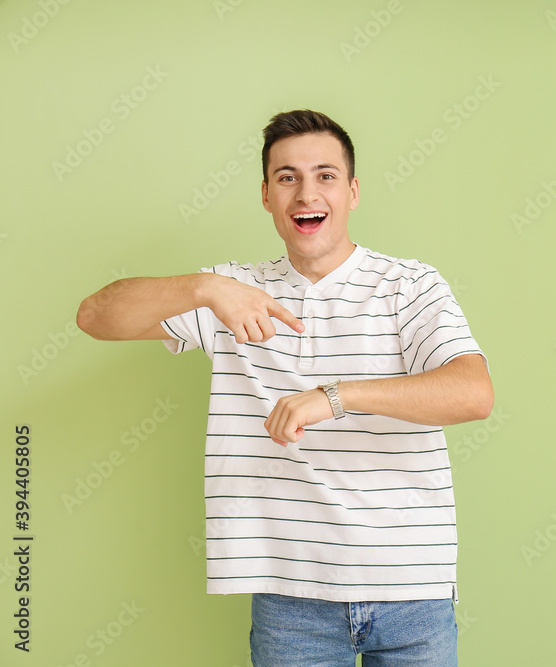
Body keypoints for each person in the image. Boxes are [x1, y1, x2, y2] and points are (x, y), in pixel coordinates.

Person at [76, 109, 493, 666]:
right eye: (287, 177)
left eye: (325, 175)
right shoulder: (232, 293)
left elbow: (472, 393)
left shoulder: (409, 285)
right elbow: (95, 317)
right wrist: (204, 287)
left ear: (352, 191)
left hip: (411, 591)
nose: (306, 192)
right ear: (267, 195)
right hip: (290, 600)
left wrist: (335, 397)